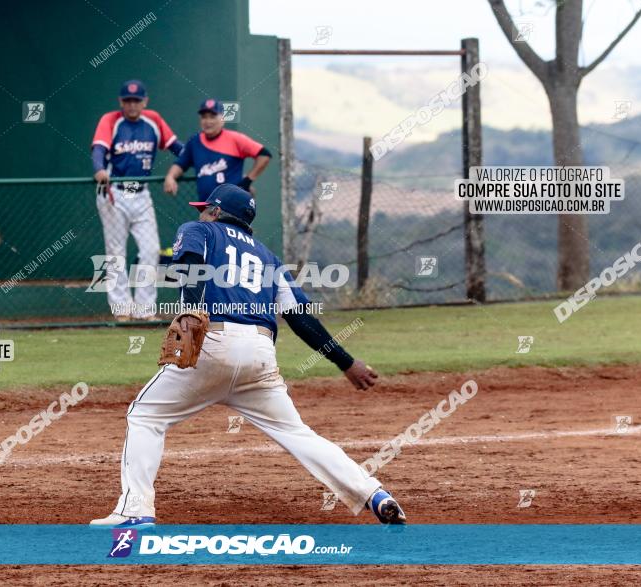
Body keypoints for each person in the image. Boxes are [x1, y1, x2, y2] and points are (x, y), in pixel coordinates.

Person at [90, 184, 406, 529]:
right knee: (298, 433)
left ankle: (136, 510)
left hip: (212, 341)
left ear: (215, 211)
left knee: (146, 415)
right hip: (260, 355)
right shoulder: (269, 257)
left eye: (204, 208)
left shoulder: (199, 230)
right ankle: (374, 494)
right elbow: (301, 318)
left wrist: (194, 313)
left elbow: (191, 264)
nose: (200, 212)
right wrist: (346, 363)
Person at [90, 79, 183, 321]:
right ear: (121, 102)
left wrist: (193, 163)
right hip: (115, 193)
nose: (132, 105)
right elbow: (98, 150)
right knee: (115, 253)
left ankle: (144, 309)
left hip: (141, 193)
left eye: (137, 100)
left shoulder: (153, 120)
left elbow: (177, 148)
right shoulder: (110, 120)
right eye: (127, 100)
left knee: (151, 249)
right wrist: (99, 169)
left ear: (145, 101)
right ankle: (122, 309)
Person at [163, 99, 271, 199]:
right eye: (204, 117)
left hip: (231, 206)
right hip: (206, 207)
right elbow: (181, 163)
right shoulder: (195, 141)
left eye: (212, 116)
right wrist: (170, 176)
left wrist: (248, 180)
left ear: (223, 119)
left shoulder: (235, 138)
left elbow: (264, 155)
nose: (208, 121)